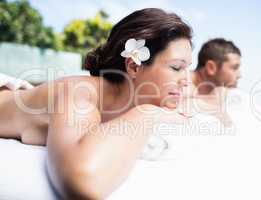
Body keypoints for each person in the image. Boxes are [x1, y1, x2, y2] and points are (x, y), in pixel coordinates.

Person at [0, 8, 192, 199]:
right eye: (176, 67)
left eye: (187, 69)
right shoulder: (80, 94)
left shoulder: (123, 104)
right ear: (134, 66)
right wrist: (147, 113)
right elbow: (84, 182)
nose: (186, 80)